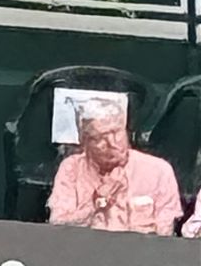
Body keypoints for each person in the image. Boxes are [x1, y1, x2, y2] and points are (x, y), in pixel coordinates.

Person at [47, 99, 184, 233]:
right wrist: (97, 204)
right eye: (100, 138)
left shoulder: (159, 171)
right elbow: (58, 228)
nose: (112, 143)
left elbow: (165, 235)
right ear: (85, 143)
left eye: (116, 132)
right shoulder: (71, 169)